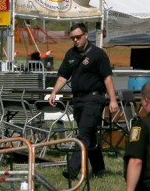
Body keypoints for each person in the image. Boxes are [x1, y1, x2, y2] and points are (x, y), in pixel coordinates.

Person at [49, 22, 119, 179]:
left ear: (86, 35)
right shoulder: (71, 54)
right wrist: (54, 92)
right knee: (90, 134)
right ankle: (99, 169)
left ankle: (73, 169)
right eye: (72, 38)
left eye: (78, 37)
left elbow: (107, 78)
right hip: (78, 100)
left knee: (84, 134)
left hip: (94, 98)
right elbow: (63, 76)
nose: (75, 40)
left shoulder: (98, 54)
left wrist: (112, 100)